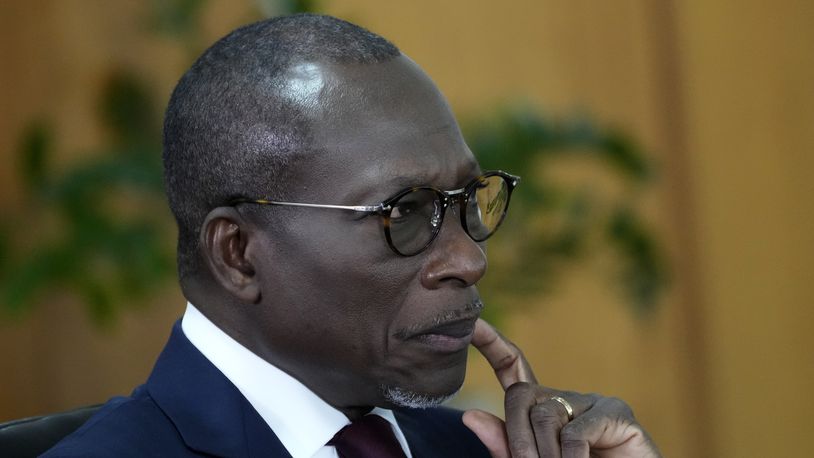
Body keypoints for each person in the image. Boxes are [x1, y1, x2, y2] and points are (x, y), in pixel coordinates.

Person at [44, 14, 660, 457]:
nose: (468, 259)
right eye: (402, 213)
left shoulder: (486, 451)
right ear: (239, 254)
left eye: (468, 200)